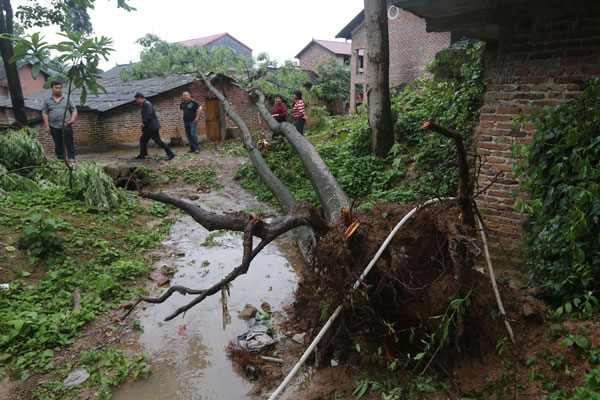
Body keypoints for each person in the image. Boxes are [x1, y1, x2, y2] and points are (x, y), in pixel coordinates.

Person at [42, 81, 78, 163]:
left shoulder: (67, 98)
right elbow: (45, 113)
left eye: (60, 88)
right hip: (54, 126)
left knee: (69, 142)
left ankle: (71, 159)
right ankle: (60, 159)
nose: (58, 90)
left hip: (66, 125)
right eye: (56, 88)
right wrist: (47, 126)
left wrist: (72, 120)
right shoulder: (47, 101)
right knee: (58, 144)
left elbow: (74, 110)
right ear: (52, 89)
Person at [134, 92, 175, 161]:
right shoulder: (144, 104)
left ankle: (170, 154)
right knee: (143, 140)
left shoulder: (147, 104)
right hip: (148, 128)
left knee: (159, 142)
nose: (136, 101)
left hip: (152, 128)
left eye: (136, 100)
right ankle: (143, 154)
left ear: (139, 98)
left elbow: (148, 114)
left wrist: (143, 122)